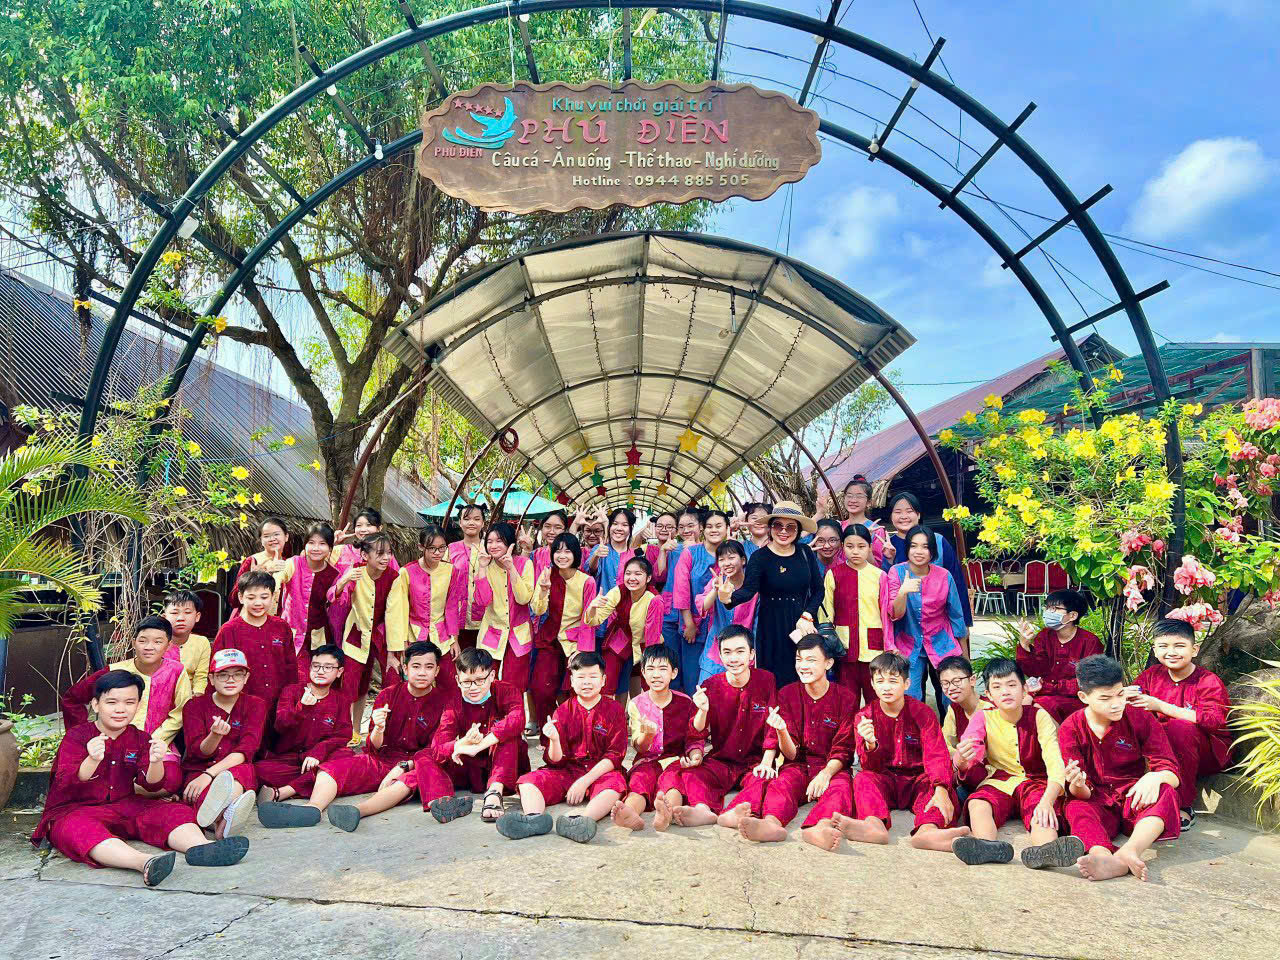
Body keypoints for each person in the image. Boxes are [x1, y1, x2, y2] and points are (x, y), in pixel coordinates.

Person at [34, 671, 248, 887]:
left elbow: (151, 784)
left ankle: (202, 848)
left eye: (129, 702)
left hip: (125, 805)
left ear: (137, 705)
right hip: (76, 809)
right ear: (96, 705)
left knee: (173, 811)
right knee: (76, 829)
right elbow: (66, 781)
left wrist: (156, 762)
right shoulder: (77, 736)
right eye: (112, 702)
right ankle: (145, 862)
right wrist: (92, 759)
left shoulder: (139, 738)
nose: (120, 709)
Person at [257, 640, 450, 831]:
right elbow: (374, 746)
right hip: (380, 760)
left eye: (428, 667)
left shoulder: (444, 701)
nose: (422, 672)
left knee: (408, 780)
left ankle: (356, 811)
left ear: (437, 671)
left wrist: (404, 766)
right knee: (331, 768)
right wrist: (379, 729)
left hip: (418, 764)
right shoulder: (387, 695)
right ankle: (312, 809)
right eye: (416, 666)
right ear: (405, 668)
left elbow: (435, 749)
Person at [720, 635, 858, 852]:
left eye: (811, 660)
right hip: (798, 765)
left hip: (832, 768)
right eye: (799, 659)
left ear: (828, 663)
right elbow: (791, 754)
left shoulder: (846, 698)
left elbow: (844, 749)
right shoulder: (787, 694)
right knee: (781, 784)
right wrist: (782, 731)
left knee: (841, 789)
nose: (803, 666)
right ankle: (771, 824)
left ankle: (820, 828)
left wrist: (825, 774)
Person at [1058, 655, 1181, 881]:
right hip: (1097, 800)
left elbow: (1172, 772)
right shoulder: (1070, 728)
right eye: (1105, 698)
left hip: (1134, 796)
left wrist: (1154, 777)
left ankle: (1129, 852)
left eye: (1120, 694)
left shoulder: (1140, 718)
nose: (1116, 704)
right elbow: (1081, 793)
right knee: (1075, 807)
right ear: (1084, 697)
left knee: (1166, 792)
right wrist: (1078, 784)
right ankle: (1102, 856)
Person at [952, 658, 1080, 869]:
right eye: (997, 687)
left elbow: (1054, 760)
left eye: (1012, 685)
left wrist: (1048, 800)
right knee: (978, 803)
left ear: (1024, 689)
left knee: (1042, 812)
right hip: (999, 779)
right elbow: (971, 747)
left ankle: (1046, 850)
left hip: (1034, 781)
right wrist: (963, 758)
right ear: (989, 695)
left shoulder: (1039, 716)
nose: (1005, 692)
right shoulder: (983, 717)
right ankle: (986, 845)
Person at [836, 651, 969, 852]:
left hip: (918, 779)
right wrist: (870, 744)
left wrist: (942, 789)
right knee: (863, 779)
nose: (886, 687)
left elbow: (936, 755)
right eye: (880, 681)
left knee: (940, 790)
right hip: (885, 778)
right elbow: (870, 767)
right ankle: (874, 825)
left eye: (893, 681)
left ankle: (927, 831)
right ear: (872, 684)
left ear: (906, 684)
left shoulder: (923, 713)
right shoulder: (864, 716)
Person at [496, 651, 628, 844]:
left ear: (603, 680)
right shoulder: (563, 711)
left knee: (615, 786)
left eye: (593, 677)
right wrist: (555, 740)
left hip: (600, 772)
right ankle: (534, 819)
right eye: (580, 677)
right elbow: (555, 761)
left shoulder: (615, 710)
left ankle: (581, 821)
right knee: (528, 781)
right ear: (572, 681)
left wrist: (584, 782)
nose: (587, 682)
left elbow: (615, 755)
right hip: (567, 770)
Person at [659, 626, 777, 829]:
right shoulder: (710, 685)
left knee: (766, 780)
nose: (734, 658)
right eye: (727, 652)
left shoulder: (766, 680)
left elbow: (772, 727)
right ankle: (703, 810)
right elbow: (696, 732)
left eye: (740, 651)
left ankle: (734, 811)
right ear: (720, 656)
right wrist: (702, 710)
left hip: (755, 762)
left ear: (751, 654)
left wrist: (767, 763)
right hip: (722, 761)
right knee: (691, 774)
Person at [61, 615, 191, 794]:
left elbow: (181, 711)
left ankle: (118, 791)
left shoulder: (177, 671)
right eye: (143, 640)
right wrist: (86, 736)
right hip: (114, 742)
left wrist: (154, 739)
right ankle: (129, 792)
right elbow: (72, 698)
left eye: (157, 641)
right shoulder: (116, 671)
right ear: (133, 642)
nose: (149, 647)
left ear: (168, 645)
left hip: (157, 742)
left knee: (171, 781)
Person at [1131, 618, 1232, 829]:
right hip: (1162, 749)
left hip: (1206, 753)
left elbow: (1214, 720)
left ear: (1194, 650)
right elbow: (1133, 704)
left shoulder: (1207, 681)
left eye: (1179, 646)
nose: (1171, 652)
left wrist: (1161, 706)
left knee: (1179, 728)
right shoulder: (1152, 675)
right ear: (1155, 650)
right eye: (1163, 646)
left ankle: (1182, 805)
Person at [416, 647, 529, 824]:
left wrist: (480, 745)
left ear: (492, 676)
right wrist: (461, 744)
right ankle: (444, 802)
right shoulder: (453, 701)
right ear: (457, 679)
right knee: (424, 755)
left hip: (504, 767)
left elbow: (517, 720)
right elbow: (439, 746)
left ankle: (494, 794)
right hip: (469, 767)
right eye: (467, 682)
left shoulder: (506, 690)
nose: (473, 688)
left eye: (480, 680)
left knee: (508, 736)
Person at [721, 502, 824, 689]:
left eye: (790, 527)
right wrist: (728, 598)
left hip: (802, 624)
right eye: (778, 525)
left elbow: (818, 590)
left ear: (798, 530)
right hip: (771, 627)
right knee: (773, 679)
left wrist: (807, 615)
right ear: (770, 528)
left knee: (804, 676)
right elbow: (748, 590)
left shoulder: (805, 553)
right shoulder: (760, 557)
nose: (783, 531)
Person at [179, 649, 265, 840]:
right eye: (223, 675)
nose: (230, 680)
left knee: (238, 775)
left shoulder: (256, 704)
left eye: (237, 674)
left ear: (246, 677)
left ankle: (219, 821)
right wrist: (215, 736)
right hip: (199, 768)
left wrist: (210, 774)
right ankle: (225, 819)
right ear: (211, 678)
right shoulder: (194, 706)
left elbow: (247, 749)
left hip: (234, 767)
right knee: (200, 797)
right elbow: (197, 752)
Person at [881, 525, 968, 710]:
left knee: (952, 696)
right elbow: (895, 614)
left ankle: (952, 727)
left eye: (925, 547)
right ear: (907, 549)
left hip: (942, 642)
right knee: (910, 695)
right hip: (908, 643)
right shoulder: (896, 572)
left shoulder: (944, 575)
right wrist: (903, 592)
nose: (919, 551)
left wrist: (965, 657)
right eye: (913, 546)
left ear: (932, 551)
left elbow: (956, 617)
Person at [609, 645, 695, 831]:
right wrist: (647, 735)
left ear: (674, 673)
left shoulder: (685, 702)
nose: (656, 675)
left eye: (663, 669)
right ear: (643, 673)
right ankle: (630, 812)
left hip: (675, 760)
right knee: (639, 783)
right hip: (646, 760)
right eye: (650, 669)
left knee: (674, 783)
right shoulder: (636, 704)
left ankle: (666, 813)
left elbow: (692, 738)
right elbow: (639, 747)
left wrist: (694, 755)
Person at [254, 645, 353, 804]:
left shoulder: (341, 700)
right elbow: (280, 724)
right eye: (316, 666)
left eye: (328, 667)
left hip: (319, 759)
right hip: (288, 761)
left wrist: (318, 752)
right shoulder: (292, 691)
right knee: (257, 770)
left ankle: (284, 791)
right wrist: (302, 708)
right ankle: (316, 782)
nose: (320, 671)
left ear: (339, 672)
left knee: (345, 755)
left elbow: (342, 736)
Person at [328, 532, 407, 725]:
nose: (386, 558)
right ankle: (344, 732)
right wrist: (344, 580)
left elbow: (395, 614)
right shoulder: (355, 571)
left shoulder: (393, 577)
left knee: (393, 680)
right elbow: (335, 599)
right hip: (356, 634)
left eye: (388, 553)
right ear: (364, 555)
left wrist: (393, 652)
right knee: (349, 684)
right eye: (380, 553)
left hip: (383, 635)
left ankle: (382, 729)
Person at [529, 532, 597, 735]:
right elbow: (537, 610)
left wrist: (583, 651)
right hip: (548, 639)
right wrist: (543, 590)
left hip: (574, 642)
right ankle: (549, 734)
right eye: (558, 551)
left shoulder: (587, 581)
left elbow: (588, 620)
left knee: (574, 690)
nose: (562, 556)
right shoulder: (547, 574)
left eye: (567, 551)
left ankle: (574, 734)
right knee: (541, 688)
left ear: (575, 554)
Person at [213, 570, 298, 721]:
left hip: (277, 706)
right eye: (251, 597)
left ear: (273, 596)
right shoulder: (229, 630)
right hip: (241, 708)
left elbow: (291, 668)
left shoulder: (282, 627)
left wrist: (290, 701)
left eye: (264, 597)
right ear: (241, 597)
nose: (258, 603)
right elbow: (216, 671)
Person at [882, 493, 973, 628]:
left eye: (909, 511)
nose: (903, 516)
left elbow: (956, 582)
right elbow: (884, 589)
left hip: (936, 627)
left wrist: (965, 623)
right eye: (898, 512)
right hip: (902, 627)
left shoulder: (937, 541)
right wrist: (888, 560)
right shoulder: (888, 546)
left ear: (918, 515)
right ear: (891, 516)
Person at [819, 523, 885, 708]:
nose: (855, 551)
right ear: (842, 547)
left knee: (876, 700)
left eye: (861, 546)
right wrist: (827, 643)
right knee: (847, 701)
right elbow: (826, 613)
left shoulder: (880, 576)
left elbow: (886, 615)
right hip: (844, 648)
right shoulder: (833, 574)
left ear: (870, 547)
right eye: (850, 546)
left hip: (874, 648)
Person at [1016, 589, 1100, 723]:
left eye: (1055, 609)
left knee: (1039, 709)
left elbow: (1088, 681)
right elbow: (1035, 671)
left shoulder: (1090, 642)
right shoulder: (1044, 636)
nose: (1048, 612)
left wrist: (1050, 687)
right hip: (1043, 693)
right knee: (1019, 706)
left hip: (1075, 698)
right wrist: (1024, 645)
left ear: (1072, 615)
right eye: (1048, 608)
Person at [586, 553, 664, 696]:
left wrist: (650, 659)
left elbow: (652, 636)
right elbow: (595, 620)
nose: (632, 578)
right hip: (620, 638)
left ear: (648, 578)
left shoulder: (654, 599)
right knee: (607, 679)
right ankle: (607, 710)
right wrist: (592, 607)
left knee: (649, 682)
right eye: (628, 573)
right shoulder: (619, 591)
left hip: (645, 643)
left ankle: (641, 708)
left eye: (638, 574)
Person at [471, 521, 536, 690]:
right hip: (492, 632)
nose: (493, 546)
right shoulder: (485, 565)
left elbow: (523, 599)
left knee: (515, 685)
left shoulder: (524, 564)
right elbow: (483, 601)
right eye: (489, 541)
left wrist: (511, 568)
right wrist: (482, 568)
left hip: (519, 634)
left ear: (509, 543)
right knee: (485, 681)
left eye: (499, 541)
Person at [401, 524, 467, 687]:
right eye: (432, 548)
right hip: (414, 634)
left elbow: (452, 607)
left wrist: (454, 639)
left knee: (448, 682)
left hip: (442, 634)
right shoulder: (406, 572)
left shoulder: (451, 570)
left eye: (442, 548)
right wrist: (403, 644)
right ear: (421, 547)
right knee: (417, 682)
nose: (437, 553)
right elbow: (401, 611)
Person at [278, 521, 340, 683]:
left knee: (314, 680)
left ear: (330, 548)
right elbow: (279, 578)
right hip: (290, 632)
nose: (316, 548)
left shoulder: (334, 574)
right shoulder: (293, 563)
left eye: (322, 544)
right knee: (292, 677)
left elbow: (334, 599)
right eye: (311, 543)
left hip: (317, 636)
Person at [695, 540, 758, 685]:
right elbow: (703, 606)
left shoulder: (753, 587)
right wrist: (715, 589)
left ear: (743, 560)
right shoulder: (716, 581)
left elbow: (757, 623)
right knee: (705, 690)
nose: (726, 563)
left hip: (744, 653)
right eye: (721, 559)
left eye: (731, 558)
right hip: (715, 651)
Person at [936, 655, 987, 802]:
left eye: (957, 681)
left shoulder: (990, 708)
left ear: (972, 680)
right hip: (964, 770)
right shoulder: (954, 709)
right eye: (945, 683)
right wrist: (959, 756)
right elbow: (944, 745)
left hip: (990, 775)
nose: (951, 688)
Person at [656, 508, 697, 682]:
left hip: (694, 615)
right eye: (681, 527)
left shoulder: (707, 549)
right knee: (671, 661)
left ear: (700, 527)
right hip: (670, 612)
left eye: (691, 525)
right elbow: (659, 575)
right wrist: (663, 551)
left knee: (691, 665)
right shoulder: (673, 548)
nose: (686, 530)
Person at [817, 477, 888, 566]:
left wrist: (866, 541)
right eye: (849, 495)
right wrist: (819, 513)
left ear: (869, 502)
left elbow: (877, 566)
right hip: (835, 573)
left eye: (859, 496)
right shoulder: (837, 526)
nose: (853, 500)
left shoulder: (876, 530)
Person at [229, 516, 291, 613]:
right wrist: (255, 575)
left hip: (277, 620)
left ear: (286, 537)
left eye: (276, 534)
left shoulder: (290, 563)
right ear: (261, 540)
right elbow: (234, 600)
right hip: (250, 619)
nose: (272, 539)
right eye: (266, 536)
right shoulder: (252, 561)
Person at [449, 503, 487, 650]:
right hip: (456, 617)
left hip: (486, 618)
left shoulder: (490, 548)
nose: (471, 522)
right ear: (460, 522)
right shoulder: (450, 549)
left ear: (483, 523)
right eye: (466, 519)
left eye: (476, 519)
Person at [163, 589, 211, 695]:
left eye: (188, 612)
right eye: (174, 613)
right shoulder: (156, 642)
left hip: (190, 697)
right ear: (165, 617)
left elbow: (201, 678)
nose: (181, 618)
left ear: (197, 616)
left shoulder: (202, 643)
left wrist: (196, 698)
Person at [332, 507, 400, 575]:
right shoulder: (341, 550)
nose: (363, 529)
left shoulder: (386, 555)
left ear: (379, 528)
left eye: (369, 525)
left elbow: (397, 578)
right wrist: (333, 543)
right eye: (359, 525)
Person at [530, 509, 569, 578]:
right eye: (547, 526)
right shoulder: (535, 554)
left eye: (557, 527)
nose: (552, 532)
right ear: (542, 528)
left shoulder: (571, 555)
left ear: (565, 530)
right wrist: (526, 550)